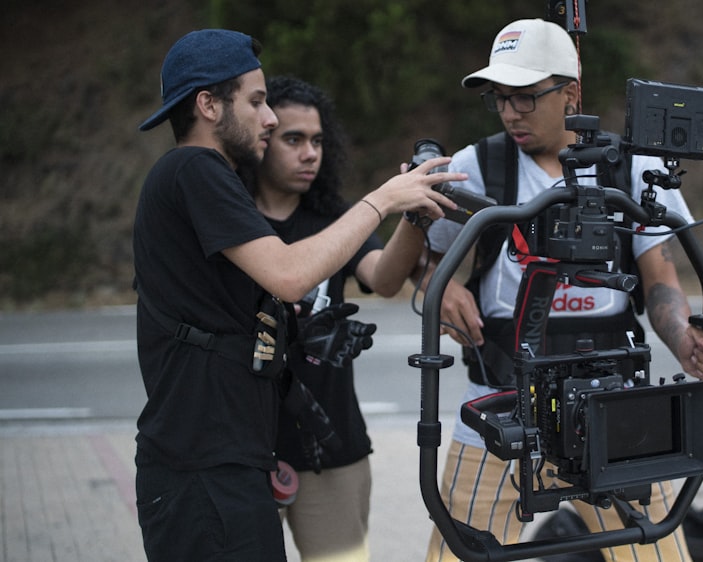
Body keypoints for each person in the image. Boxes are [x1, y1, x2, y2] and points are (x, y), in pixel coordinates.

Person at [132, 30, 464, 561]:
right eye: (257, 102)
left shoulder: (198, 178)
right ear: (209, 105)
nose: (269, 119)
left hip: (226, 457)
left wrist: (405, 215)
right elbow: (287, 275)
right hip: (204, 463)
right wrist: (382, 198)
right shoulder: (195, 168)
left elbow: (377, 276)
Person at [420, 19, 703, 562]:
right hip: (500, 404)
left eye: (525, 97)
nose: (511, 112)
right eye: (500, 99)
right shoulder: (478, 165)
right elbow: (429, 265)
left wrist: (685, 337)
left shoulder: (633, 166)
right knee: (457, 555)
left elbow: (660, 278)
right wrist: (438, 290)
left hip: (610, 406)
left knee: (656, 553)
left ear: (571, 93)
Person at [247, 76, 427, 561]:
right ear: (260, 139)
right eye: (294, 139)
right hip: (243, 449)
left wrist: (413, 218)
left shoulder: (336, 219)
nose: (310, 153)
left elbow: (385, 279)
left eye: (318, 141)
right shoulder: (232, 219)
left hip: (332, 447)